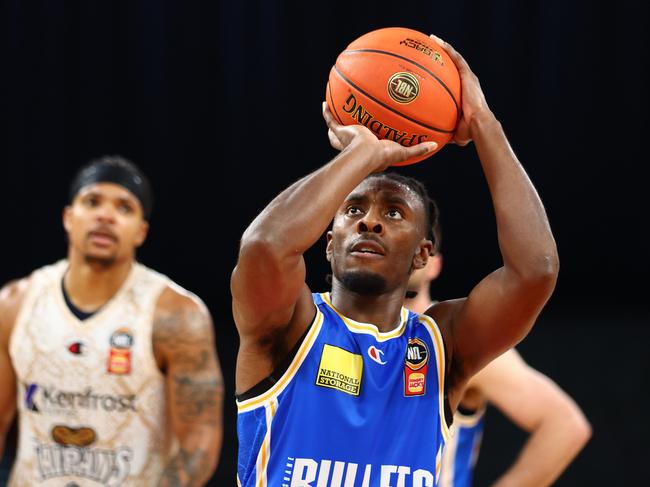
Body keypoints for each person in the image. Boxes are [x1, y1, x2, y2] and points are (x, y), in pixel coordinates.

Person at [232, 36, 559, 487]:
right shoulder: (290, 325)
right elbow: (263, 247)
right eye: (353, 210)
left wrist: (483, 122)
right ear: (328, 242)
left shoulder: (443, 344)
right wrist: (362, 154)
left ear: (424, 254)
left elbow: (535, 270)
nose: (370, 222)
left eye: (393, 213)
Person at [0, 156, 224, 486]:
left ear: (141, 232)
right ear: (67, 217)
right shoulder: (15, 304)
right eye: (92, 202)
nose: (105, 216)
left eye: (124, 208)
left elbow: (198, 444)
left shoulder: (176, 315)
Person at [406, 250, 591, 487]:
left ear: (435, 264)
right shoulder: (350, 334)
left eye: (420, 246)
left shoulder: (457, 338)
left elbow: (565, 424)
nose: (409, 252)